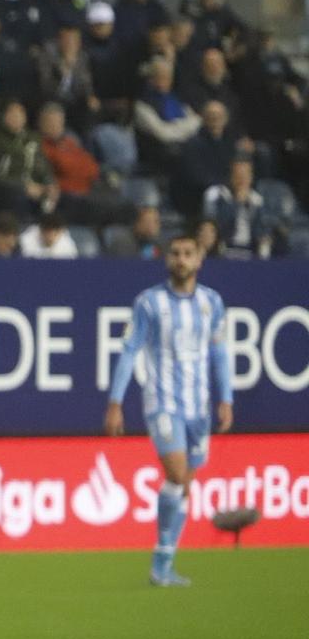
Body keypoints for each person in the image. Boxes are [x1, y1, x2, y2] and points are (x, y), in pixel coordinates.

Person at [104, 236, 232, 587]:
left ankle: (165, 562)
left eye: (188, 254)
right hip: (162, 402)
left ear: (199, 260)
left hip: (199, 406)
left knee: (184, 485)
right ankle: (160, 561)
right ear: (168, 260)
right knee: (176, 475)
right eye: (175, 253)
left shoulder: (212, 302)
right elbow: (129, 351)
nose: (181, 259)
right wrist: (116, 401)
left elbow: (220, 352)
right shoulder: (149, 302)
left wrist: (227, 397)